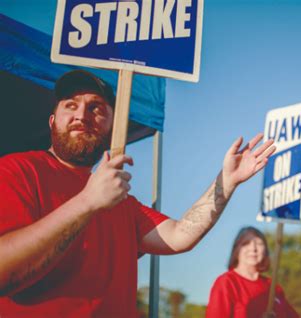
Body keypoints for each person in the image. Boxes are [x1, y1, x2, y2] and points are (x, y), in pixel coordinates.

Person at [0, 70, 276, 317]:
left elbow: (181, 235)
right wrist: (87, 202)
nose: (82, 115)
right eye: (71, 105)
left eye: (96, 108)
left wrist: (226, 181)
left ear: (111, 126)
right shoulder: (18, 171)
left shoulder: (121, 201)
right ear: (52, 121)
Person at [206, 226, 298, 318]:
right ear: (236, 249)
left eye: (259, 244)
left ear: (265, 250)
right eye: (246, 243)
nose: (253, 249)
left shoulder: (273, 286)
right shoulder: (227, 282)